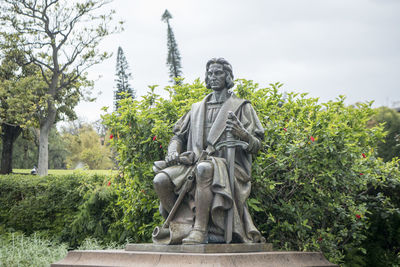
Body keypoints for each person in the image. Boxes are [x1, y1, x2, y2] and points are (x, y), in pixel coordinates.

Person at [153, 58, 265, 244]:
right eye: (210, 73)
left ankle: (200, 230)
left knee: (204, 169)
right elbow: (178, 136)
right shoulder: (196, 109)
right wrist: (173, 151)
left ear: (228, 76)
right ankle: (185, 224)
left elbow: (257, 145)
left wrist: (243, 135)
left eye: (218, 73)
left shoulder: (241, 107)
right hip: (194, 161)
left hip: (227, 166)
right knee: (161, 180)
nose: (213, 77)